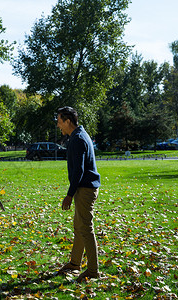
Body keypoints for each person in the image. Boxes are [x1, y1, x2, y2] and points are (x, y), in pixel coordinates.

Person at [56, 106, 101, 282]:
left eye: (60, 121)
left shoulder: (78, 139)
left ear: (68, 121)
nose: (58, 125)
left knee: (86, 229)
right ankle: (75, 263)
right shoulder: (78, 135)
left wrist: (69, 195)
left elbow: (79, 171)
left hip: (85, 189)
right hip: (84, 188)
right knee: (79, 227)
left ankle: (93, 270)